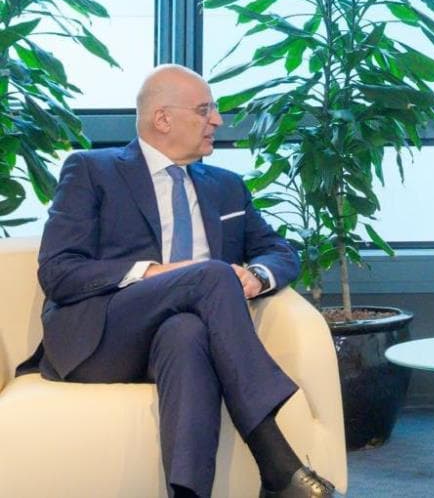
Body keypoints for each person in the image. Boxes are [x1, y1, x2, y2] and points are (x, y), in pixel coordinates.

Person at [16, 64, 336, 498]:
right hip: (103, 337)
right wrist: (152, 272)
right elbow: (58, 271)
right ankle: (275, 461)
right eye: (205, 110)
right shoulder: (92, 170)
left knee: (185, 333)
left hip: (184, 336)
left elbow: (279, 251)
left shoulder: (226, 187)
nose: (217, 121)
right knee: (210, 274)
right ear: (162, 119)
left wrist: (256, 277)